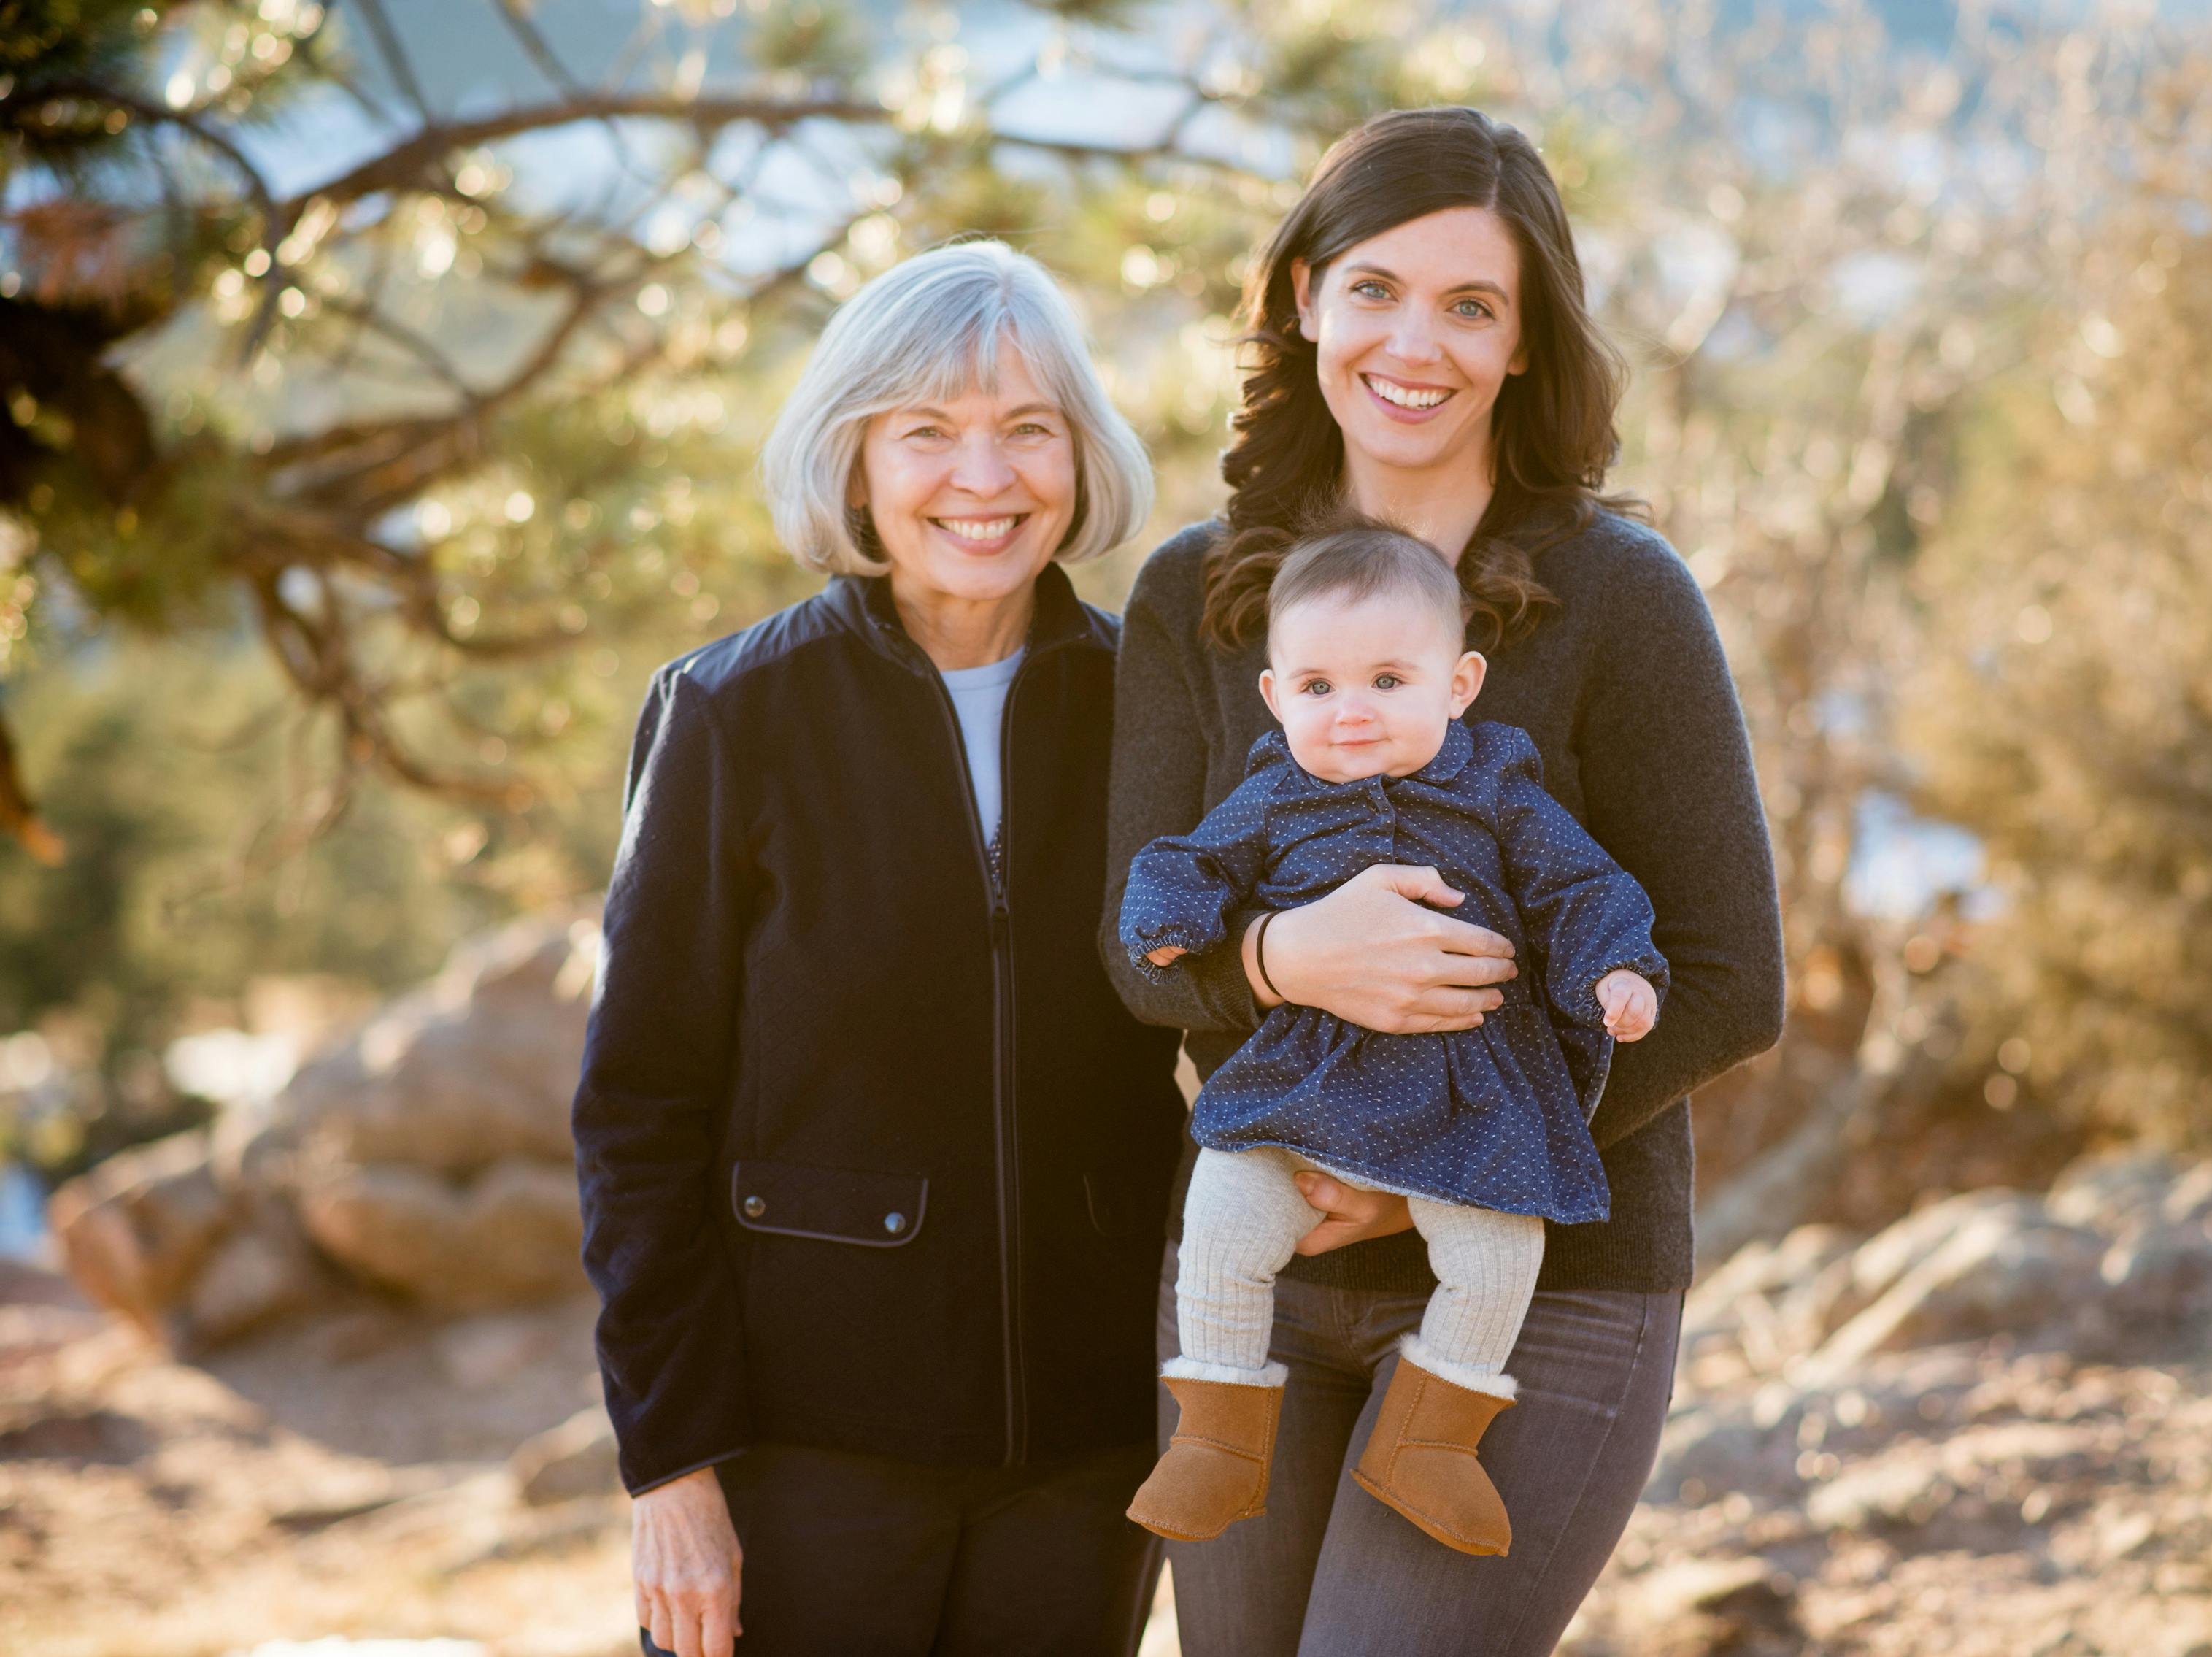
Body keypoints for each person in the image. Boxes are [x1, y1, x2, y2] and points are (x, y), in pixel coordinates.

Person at [1101, 107, 1787, 1656]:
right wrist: (1278, 961)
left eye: (1471, 305)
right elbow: (1134, 950)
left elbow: (1731, 976)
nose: (1416, 343)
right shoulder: (1191, 597)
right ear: (1303, 300)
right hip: (1255, 1276)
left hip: (1544, 1288)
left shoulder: (1623, 599)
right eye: (1376, 289)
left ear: (1527, 342)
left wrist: (1437, 1151)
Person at [573, 240, 1184, 1657]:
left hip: (1091, 1444)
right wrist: (670, 1468)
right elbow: (636, 1111)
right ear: (853, 461)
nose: (985, 478)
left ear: (1080, 456)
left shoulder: (1148, 710)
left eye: (1028, 428)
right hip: (803, 1448)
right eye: (928, 432)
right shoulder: (730, 713)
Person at [1116, 518, 1668, 1560]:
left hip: (1468, 1094)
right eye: (1318, 688)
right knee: (1223, 1217)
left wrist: (1618, 968)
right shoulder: (1275, 791)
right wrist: (1169, 921)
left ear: (1457, 686)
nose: (1352, 713)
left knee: (1501, 1247)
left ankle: (1432, 1436)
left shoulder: (1500, 786)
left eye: (1386, 681)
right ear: (1276, 698)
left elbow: (1580, 884)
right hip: (1303, 1084)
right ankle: (1219, 1435)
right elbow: (1185, 859)